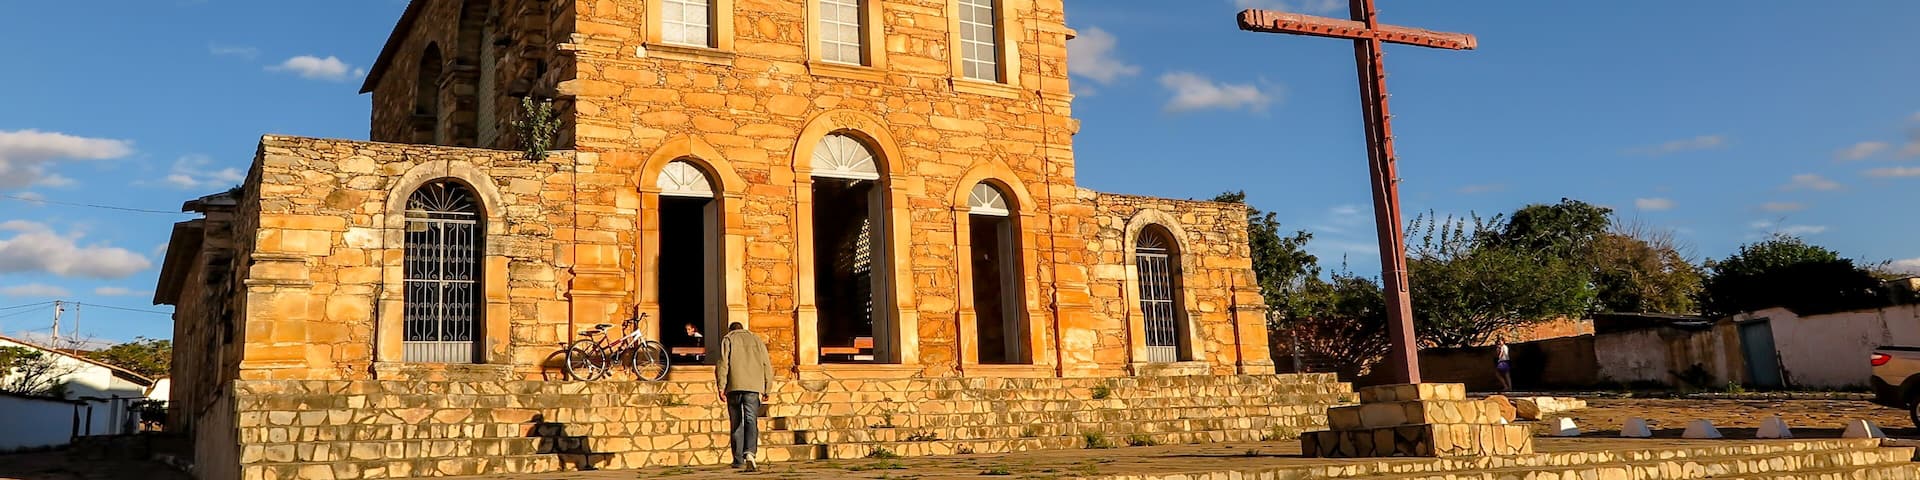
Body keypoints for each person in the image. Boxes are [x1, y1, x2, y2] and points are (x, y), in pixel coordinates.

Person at [715, 321, 773, 471]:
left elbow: (723, 364)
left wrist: (721, 386)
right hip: (753, 387)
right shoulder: (756, 339)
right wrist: (767, 388)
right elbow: (766, 364)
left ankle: (738, 459)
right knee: (750, 420)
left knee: (736, 423)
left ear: (731, 330)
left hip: (734, 387)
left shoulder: (728, 339)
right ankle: (750, 453)